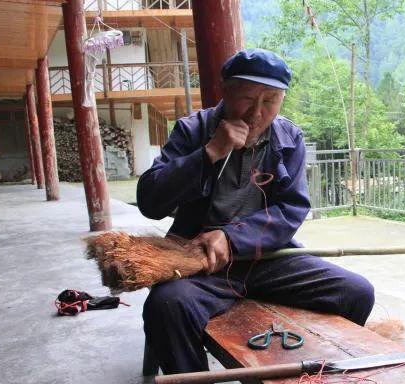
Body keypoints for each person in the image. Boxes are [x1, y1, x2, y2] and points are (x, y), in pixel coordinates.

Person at [137, 48, 375, 374]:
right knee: (166, 305)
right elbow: (150, 201)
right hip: (200, 263)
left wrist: (232, 238)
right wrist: (209, 153)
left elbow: (292, 208)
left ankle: (319, 375)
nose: (258, 113)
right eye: (248, 98)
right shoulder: (193, 131)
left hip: (267, 259)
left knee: (356, 293)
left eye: (271, 101)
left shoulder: (289, 138)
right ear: (226, 91)